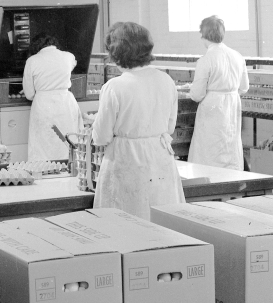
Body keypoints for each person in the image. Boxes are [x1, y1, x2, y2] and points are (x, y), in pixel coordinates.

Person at [92, 22, 185, 220]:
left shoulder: (114, 87)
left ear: (117, 53)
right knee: (162, 221)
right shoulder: (165, 80)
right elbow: (170, 127)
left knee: (126, 222)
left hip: (126, 159)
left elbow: (101, 137)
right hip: (160, 158)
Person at [188, 15, 249, 169]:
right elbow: (244, 87)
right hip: (232, 104)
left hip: (212, 107)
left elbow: (197, 95)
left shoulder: (206, 60)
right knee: (229, 143)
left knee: (209, 148)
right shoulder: (237, 56)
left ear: (203, 35)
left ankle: (208, 178)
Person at [23, 33, 82, 161]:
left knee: (43, 146)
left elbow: (29, 94)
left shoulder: (32, 61)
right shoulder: (68, 56)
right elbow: (72, 64)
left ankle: (44, 170)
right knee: (66, 142)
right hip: (65, 102)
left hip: (43, 105)